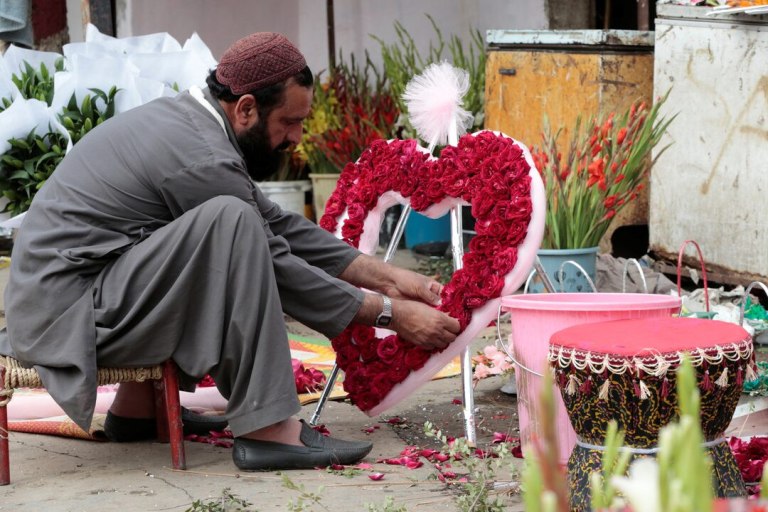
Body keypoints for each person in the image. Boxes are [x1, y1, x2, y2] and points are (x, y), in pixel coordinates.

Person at [0, 32, 460, 470]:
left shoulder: (192, 124)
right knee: (230, 224)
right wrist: (389, 314)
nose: (298, 137)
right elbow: (273, 259)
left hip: (67, 300)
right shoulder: (201, 154)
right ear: (245, 108)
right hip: (65, 317)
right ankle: (269, 428)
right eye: (290, 122)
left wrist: (389, 276)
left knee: (232, 222)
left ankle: (140, 409)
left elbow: (277, 223)